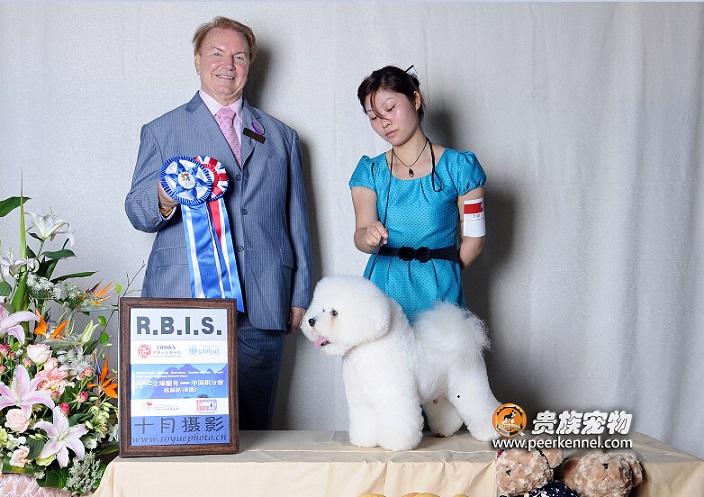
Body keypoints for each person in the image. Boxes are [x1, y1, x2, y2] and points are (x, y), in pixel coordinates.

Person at [125, 16, 312, 430]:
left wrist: (300, 292)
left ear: (250, 65)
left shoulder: (282, 136)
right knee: (184, 429)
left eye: (239, 57)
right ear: (197, 60)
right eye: (217, 53)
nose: (228, 64)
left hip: (265, 300)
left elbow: (297, 219)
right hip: (182, 303)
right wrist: (169, 192)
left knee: (256, 430)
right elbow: (138, 211)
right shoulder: (161, 130)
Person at [349, 65, 486, 323]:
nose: (384, 122)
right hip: (383, 291)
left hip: (440, 295)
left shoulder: (461, 168)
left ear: (415, 99)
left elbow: (474, 240)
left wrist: (444, 273)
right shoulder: (370, 171)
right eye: (373, 117)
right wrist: (368, 236)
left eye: (390, 108)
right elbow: (361, 235)